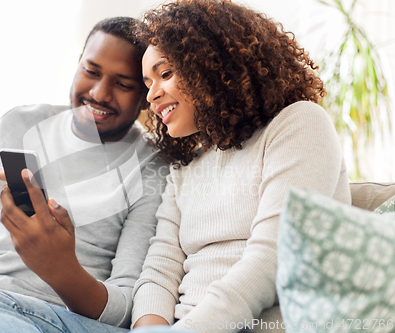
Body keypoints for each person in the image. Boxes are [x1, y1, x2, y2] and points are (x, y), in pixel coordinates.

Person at [0, 17, 167, 333]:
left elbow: (126, 310)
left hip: (53, 317)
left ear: (145, 93)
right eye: (91, 71)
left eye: (123, 84)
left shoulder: (151, 166)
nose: (99, 93)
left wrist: (60, 270)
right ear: (78, 64)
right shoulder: (22, 122)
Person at [129, 0, 351, 332]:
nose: (151, 96)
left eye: (165, 74)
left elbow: (272, 259)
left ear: (210, 64)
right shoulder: (186, 166)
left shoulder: (299, 123)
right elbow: (161, 269)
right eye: (148, 83)